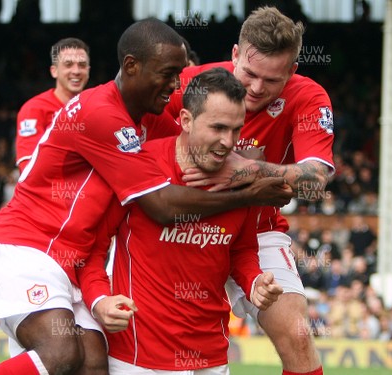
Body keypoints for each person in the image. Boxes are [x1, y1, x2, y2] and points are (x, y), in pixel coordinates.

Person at [0, 18, 293, 375]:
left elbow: (207, 151)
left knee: (94, 361)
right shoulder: (100, 112)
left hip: (71, 259)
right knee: (61, 352)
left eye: (179, 75)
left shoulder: (150, 120)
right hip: (26, 246)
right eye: (168, 74)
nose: (175, 85)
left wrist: (267, 175)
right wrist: (248, 196)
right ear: (131, 66)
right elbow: (161, 205)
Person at [165, 6, 333, 375]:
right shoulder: (193, 83)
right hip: (183, 230)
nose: (256, 88)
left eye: (272, 81)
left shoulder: (308, 98)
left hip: (256, 231)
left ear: (292, 70)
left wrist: (248, 169)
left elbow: (316, 178)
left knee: (298, 333)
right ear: (235, 54)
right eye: (250, 74)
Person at [105, 67, 283, 374]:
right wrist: (98, 300)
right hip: (139, 356)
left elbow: (241, 250)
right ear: (186, 120)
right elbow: (92, 245)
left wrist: (254, 282)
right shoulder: (141, 165)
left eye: (236, 129)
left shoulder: (243, 180)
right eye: (217, 128)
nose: (228, 142)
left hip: (210, 355)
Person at [15, 38, 91, 172]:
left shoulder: (96, 108)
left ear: (88, 70)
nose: (76, 71)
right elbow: (29, 168)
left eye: (82, 65)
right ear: (54, 71)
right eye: (68, 64)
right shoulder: (34, 109)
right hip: (53, 191)